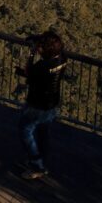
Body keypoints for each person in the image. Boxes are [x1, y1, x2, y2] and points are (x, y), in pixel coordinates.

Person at [16, 31, 67, 180]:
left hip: (37, 104)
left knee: (25, 131)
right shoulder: (62, 58)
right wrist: (39, 39)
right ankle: (41, 161)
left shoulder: (42, 66)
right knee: (43, 133)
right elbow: (53, 44)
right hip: (52, 103)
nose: (39, 49)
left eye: (40, 47)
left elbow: (27, 71)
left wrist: (31, 52)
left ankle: (36, 165)